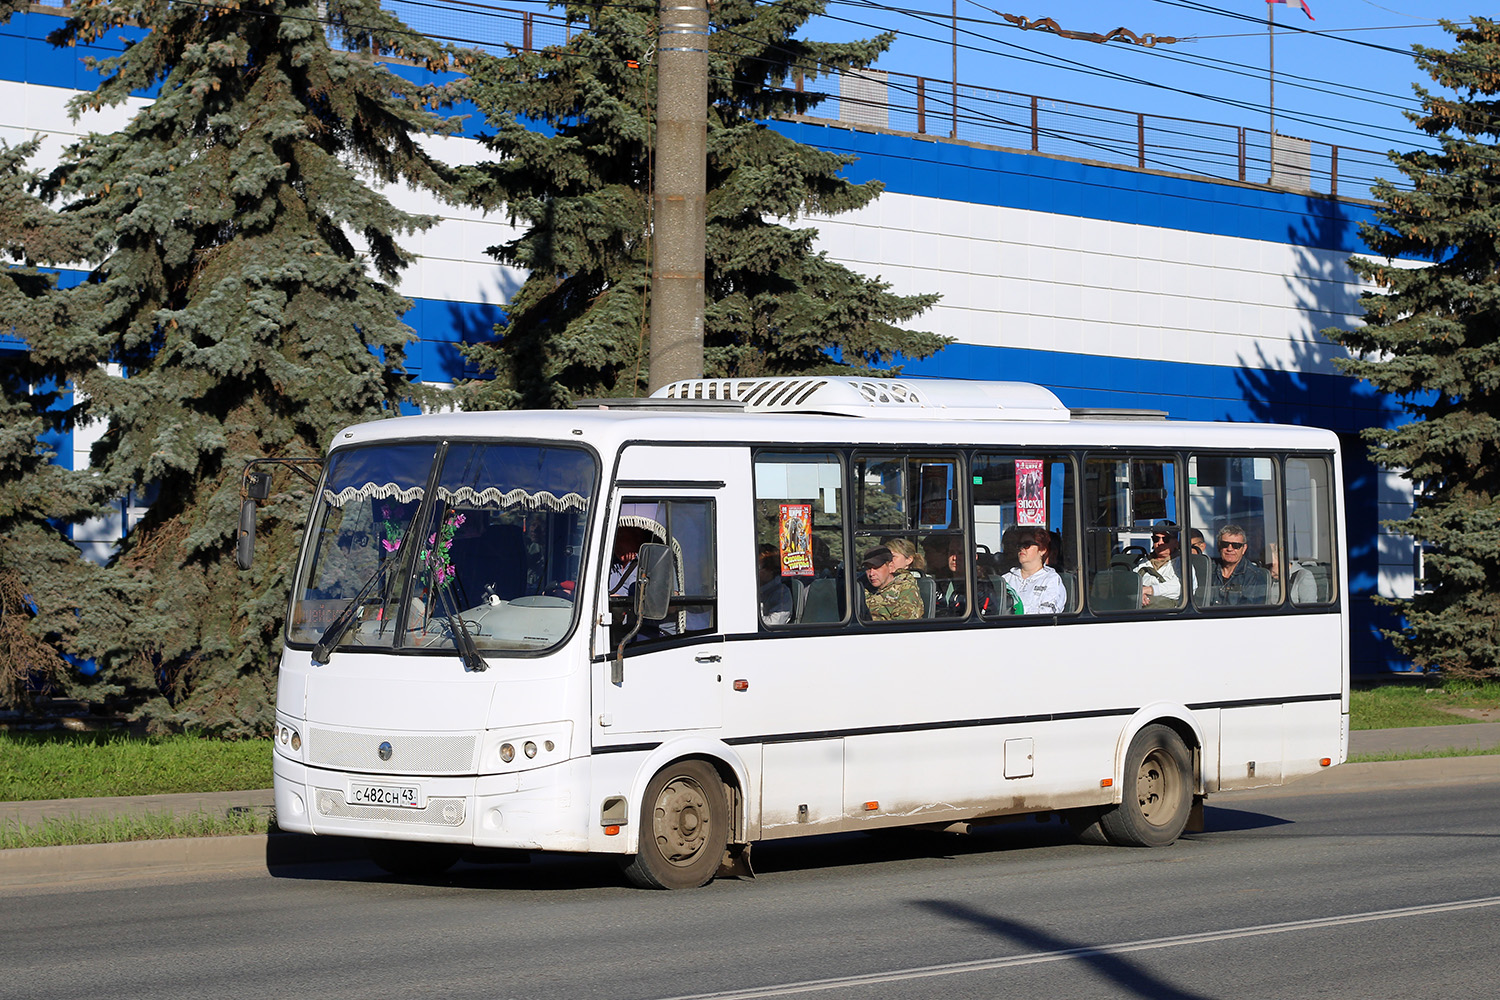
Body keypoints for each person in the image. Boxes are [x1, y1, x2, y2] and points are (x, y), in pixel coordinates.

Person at [1001, 526, 1067, 614]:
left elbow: (1048, 614)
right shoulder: (1006, 579)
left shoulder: (1051, 580)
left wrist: (1015, 610)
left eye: (1027, 544)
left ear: (1042, 550)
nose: (1022, 548)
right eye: (1019, 545)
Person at [1208, 523, 1269, 606]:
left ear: (1244, 549)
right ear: (1219, 546)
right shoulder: (1208, 570)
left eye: (1236, 546)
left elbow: (1250, 612)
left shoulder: (1254, 576)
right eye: (1225, 544)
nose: (1229, 549)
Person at [861, 546, 924, 621]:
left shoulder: (905, 588)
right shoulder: (861, 586)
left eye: (876, 568)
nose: (871, 573)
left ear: (890, 567)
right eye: (868, 568)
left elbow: (904, 625)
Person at [1135, 521, 1185, 608]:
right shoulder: (1143, 562)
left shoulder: (1182, 563)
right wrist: (1140, 594)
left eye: (1166, 539)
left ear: (1176, 543)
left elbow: (1181, 588)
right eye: (1156, 539)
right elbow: (1132, 581)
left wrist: (1149, 590)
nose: (1160, 543)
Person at [757, 544, 793, 625]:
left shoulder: (781, 593)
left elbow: (774, 624)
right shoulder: (755, 589)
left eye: (758, 568)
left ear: (769, 571)